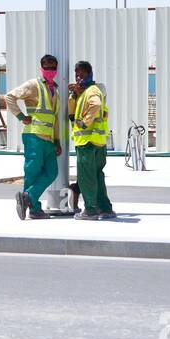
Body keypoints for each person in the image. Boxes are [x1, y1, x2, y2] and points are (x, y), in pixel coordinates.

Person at [5, 53, 63, 220]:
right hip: (34, 136)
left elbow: (55, 118)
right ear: (41, 68)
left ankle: (27, 197)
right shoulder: (33, 85)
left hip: (49, 140)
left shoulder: (56, 90)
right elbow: (10, 97)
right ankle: (35, 209)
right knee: (32, 173)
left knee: (52, 172)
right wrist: (21, 117)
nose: (50, 70)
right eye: (47, 67)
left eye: (53, 68)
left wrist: (57, 140)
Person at [68, 60, 115, 220]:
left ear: (90, 74)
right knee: (97, 176)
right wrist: (74, 95)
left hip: (87, 142)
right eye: (77, 75)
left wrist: (84, 121)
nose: (79, 78)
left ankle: (90, 210)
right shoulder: (84, 92)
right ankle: (105, 208)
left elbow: (95, 105)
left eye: (82, 74)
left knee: (86, 177)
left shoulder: (91, 91)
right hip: (99, 142)